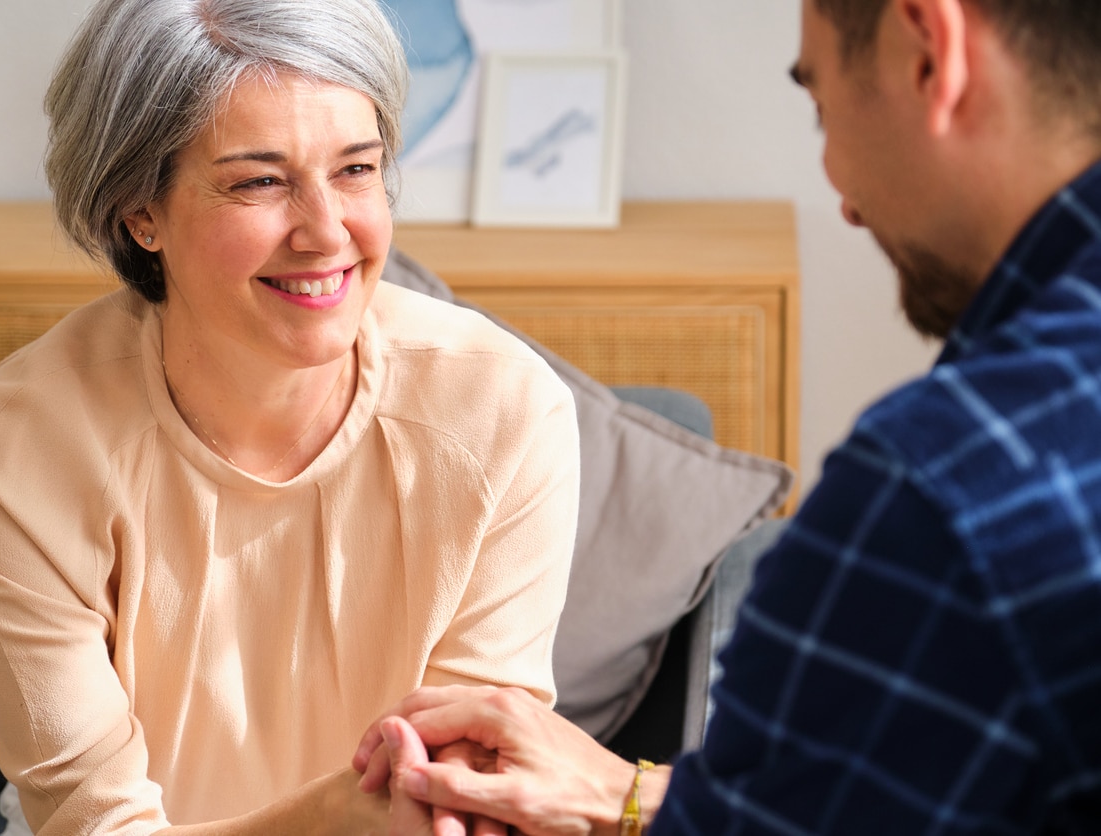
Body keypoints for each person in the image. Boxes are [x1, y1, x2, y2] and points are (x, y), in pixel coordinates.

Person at [356, 0, 1101, 832]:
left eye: (822, 108)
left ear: (927, 50)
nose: (846, 204)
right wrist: (637, 796)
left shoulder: (939, 494)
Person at [0, 0, 581, 832]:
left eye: (356, 170)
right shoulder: (20, 450)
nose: (326, 232)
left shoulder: (504, 411)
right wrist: (332, 816)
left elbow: (462, 792)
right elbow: (95, 822)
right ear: (141, 211)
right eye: (260, 182)